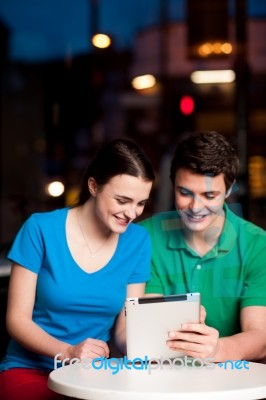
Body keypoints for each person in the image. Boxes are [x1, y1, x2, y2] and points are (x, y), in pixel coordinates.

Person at [0, 137, 155, 400]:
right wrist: (68, 352)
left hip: (92, 376)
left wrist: (159, 337)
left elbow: (124, 329)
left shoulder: (138, 241)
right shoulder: (40, 229)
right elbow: (16, 320)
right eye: (122, 200)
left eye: (140, 203)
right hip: (31, 369)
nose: (132, 213)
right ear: (93, 186)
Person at [140, 131, 266, 363]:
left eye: (209, 195)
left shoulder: (258, 245)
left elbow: (260, 336)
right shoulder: (145, 237)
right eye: (185, 192)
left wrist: (217, 350)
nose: (195, 207)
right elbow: (146, 326)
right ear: (173, 185)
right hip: (161, 378)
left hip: (235, 384)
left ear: (229, 190)